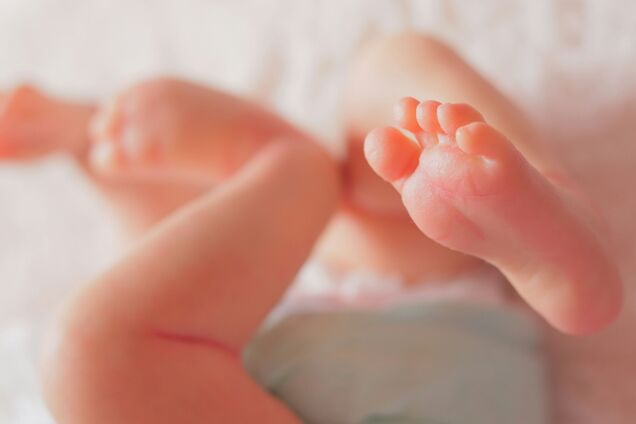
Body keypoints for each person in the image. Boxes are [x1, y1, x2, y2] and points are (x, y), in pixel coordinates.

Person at [0, 32, 621, 423]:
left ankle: (542, 210)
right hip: (405, 348)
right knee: (93, 359)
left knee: (394, 102)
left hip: (396, 339)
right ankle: (281, 165)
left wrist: (103, 155)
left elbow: (168, 283)